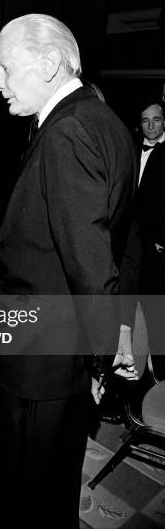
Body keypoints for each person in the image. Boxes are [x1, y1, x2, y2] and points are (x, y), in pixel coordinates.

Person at [0, 14, 139, 528]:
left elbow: (88, 258)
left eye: (5, 68)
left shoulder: (67, 132)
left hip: (41, 355)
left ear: (49, 64)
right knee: (55, 478)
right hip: (68, 350)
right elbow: (119, 243)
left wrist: (106, 353)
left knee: (24, 488)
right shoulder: (107, 122)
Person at [137, 99, 165, 379]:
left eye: (156, 119)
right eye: (146, 120)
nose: (151, 125)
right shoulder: (134, 149)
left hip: (159, 249)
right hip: (136, 245)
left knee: (157, 313)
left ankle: (160, 377)